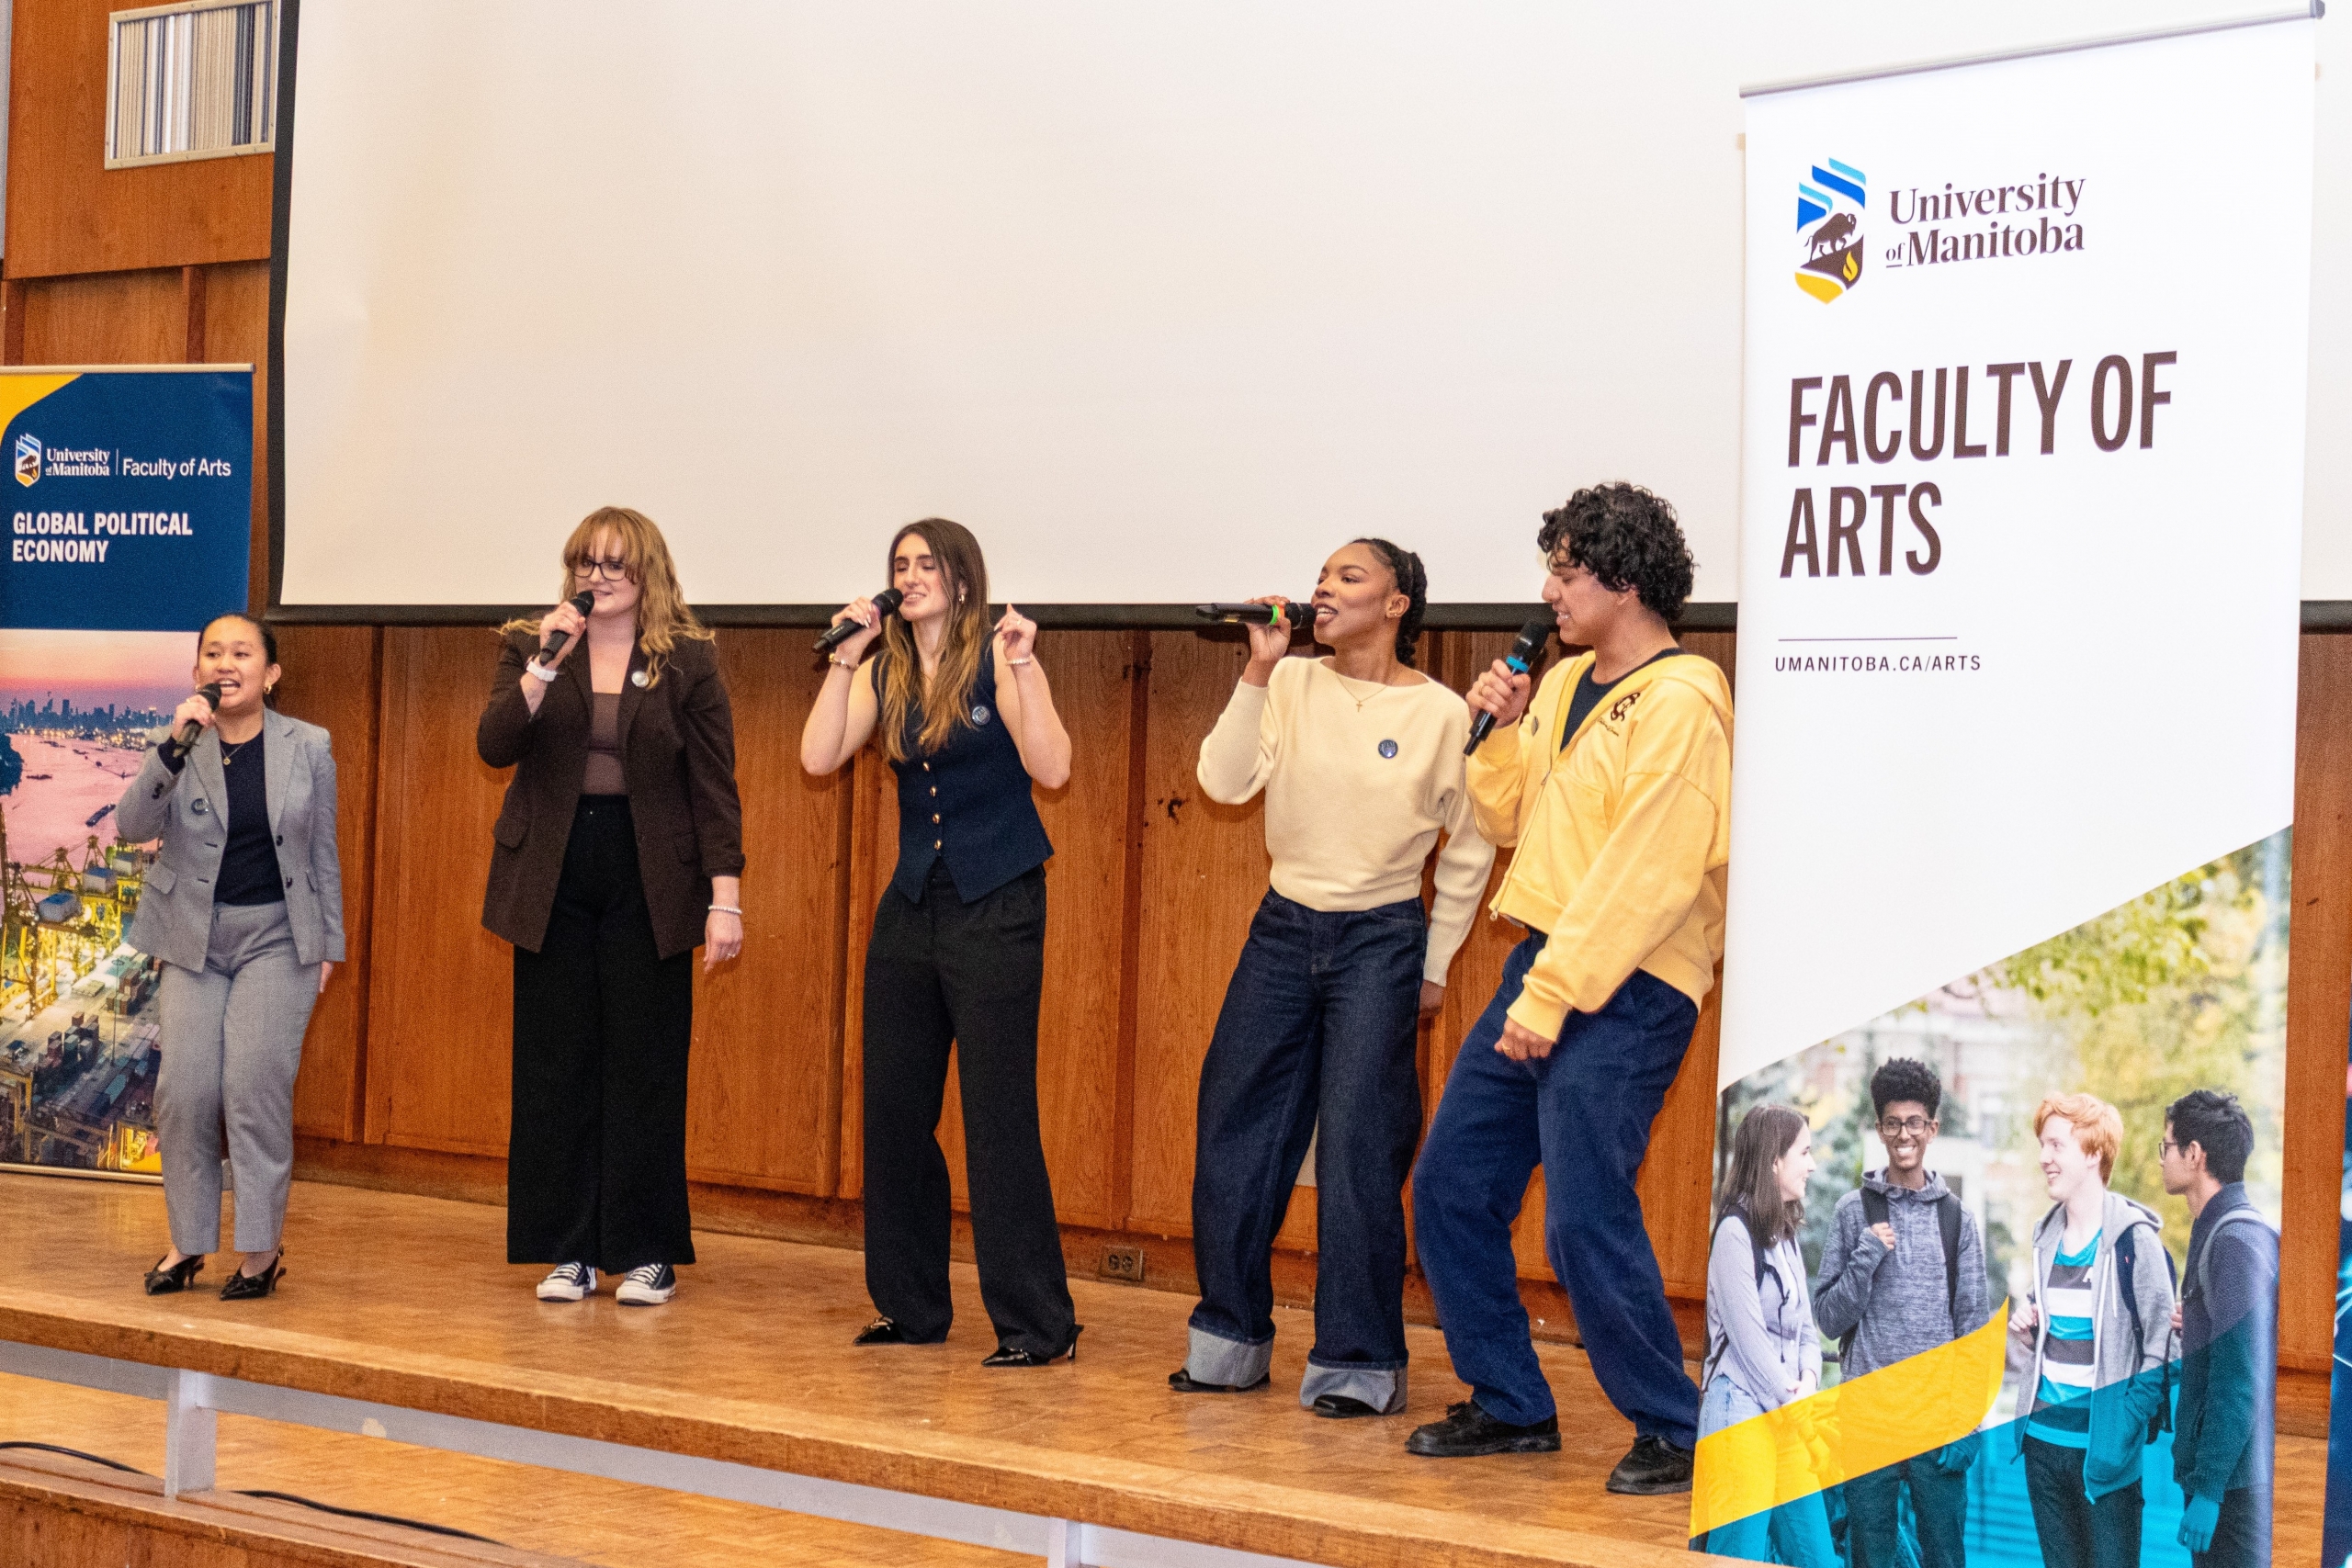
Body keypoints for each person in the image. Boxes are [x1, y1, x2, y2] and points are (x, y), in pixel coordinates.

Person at [1406, 482, 1732, 1493]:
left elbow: (1647, 871)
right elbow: (1511, 822)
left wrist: (1551, 997)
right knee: (1452, 1185)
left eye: (1566, 571)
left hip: (1630, 983)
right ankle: (1510, 1402)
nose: (1548, 591)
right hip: (1546, 965)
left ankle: (1674, 1425)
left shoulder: (1682, 701)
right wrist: (1499, 730)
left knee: (1584, 1212)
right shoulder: (1557, 685)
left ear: (1624, 581)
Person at [1172, 539, 1494, 1418]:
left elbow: (1470, 846)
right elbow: (1223, 782)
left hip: (1382, 936)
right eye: (1321, 577)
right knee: (1235, 1123)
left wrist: (1435, 961)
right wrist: (1256, 669)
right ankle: (1228, 1343)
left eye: (1349, 577)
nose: (1324, 588)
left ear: (1396, 604)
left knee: (1359, 1142)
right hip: (1283, 926)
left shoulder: (1440, 712)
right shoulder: (1289, 682)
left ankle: (1358, 1363)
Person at [800, 518, 1080, 1367]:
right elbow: (818, 757)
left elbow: (1054, 768)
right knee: (893, 1110)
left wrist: (1025, 668)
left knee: (997, 1116)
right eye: (900, 563)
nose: (911, 575)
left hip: (999, 900)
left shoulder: (999, 655)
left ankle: (1037, 1325)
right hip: (913, 902)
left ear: (961, 581)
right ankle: (912, 1306)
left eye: (927, 563)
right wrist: (844, 658)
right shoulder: (883, 668)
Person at [478, 506, 745, 1309]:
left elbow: (714, 786)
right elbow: (494, 743)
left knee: (644, 1064)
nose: (598, 577)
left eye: (614, 563)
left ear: (647, 570)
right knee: (555, 1063)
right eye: (585, 563)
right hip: (550, 871)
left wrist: (725, 900)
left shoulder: (687, 659)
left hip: (651, 874)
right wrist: (543, 666)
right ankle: (570, 1251)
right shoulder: (530, 642)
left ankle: (645, 1250)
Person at [120, 613, 344, 1300]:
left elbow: (323, 852)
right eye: (212, 653)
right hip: (191, 938)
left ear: (270, 674)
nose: (226, 664)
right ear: (196, 672)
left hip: (278, 937)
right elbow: (130, 826)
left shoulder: (308, 744)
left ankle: (260, 1250)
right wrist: (170, 747)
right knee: (184, 1092)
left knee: (252, 1090)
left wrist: (329, 943)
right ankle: (188, 1241)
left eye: (242, 653)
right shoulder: (175, 743)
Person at [1812, 1056, 1990, 1568]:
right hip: (1868, 1423)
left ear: (1932, 1128)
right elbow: (1828, 1319)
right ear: (1879, 1128)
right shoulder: (1853, 1212)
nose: (1904, 1134)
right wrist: (1866, 1257)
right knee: (1869, 1557)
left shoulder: (1957, 1220)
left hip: (1937, 1427)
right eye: (1893, 1123)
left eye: (1914, 1122)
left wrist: (1969, 1428)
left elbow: (1973, 1331)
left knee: (1944, 1557)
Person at [2012, 1092, 2174, 1568]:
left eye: (2056, 1145)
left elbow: (2164, 1344)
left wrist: (2125, 1424)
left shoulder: (2134, 1240)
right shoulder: (2045, 1237)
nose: (2044, 1158)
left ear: (2093, 1154)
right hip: (2043, 1446)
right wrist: (2032, 1330)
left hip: (2106, 1454)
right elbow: (2059, 1330)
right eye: (2042, 1145)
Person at [1695, 1104, 1838, 1567]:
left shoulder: (1786, 1234)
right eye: (1804, 1152)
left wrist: (1808, 1383)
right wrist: (1793, 1398)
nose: (1811, 1165)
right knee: (1738, 1557)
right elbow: (1749, 1342)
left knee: (1819, 1557)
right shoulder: (1734, 1234)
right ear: (1774, 1160)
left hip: (1786, 1414)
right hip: (1740, 1414)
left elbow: (1807, 1333)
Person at [2159, 1089, 2278, 1568]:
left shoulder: (2234, 1241)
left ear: (2194, 1154)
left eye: (2167, 1147)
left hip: (2235, 1490)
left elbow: (2239, 1380)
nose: (2162, 1159)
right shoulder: (2220, 1229)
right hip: (2229, 1478)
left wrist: (2208, 1492)